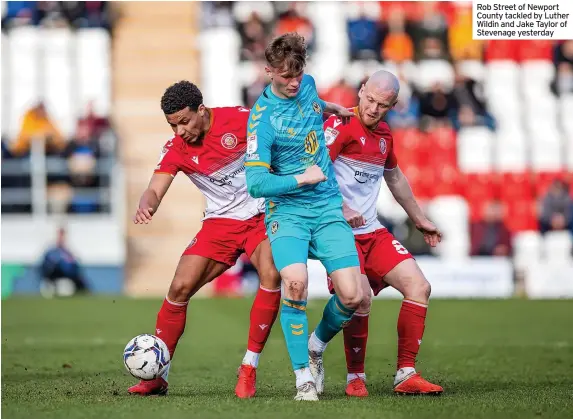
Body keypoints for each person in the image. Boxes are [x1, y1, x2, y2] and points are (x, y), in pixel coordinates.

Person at [128, 81, 282, 399]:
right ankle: (157, 377)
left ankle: (249, 368)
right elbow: (155, 187)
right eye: (172, 125)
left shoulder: (242, 120)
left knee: (271, 273)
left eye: (184, 122)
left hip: (262, 216)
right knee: (179, 288)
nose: (180, 131)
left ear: (201, 110)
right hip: (220, 225)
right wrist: (147, 202)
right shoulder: (176, 148)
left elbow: (283, 144)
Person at [245, 32, 364, 401]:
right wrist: (301, 177)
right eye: (286, 77)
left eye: (299, 74)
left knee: (352, 295)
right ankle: (303, 380)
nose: (295, 82)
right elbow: (256, 183)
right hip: (289, 210)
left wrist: (333, 109)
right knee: (294, 282)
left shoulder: (307, 84)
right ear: (268, 72)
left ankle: (315, 347)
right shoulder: (261, 121)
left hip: (327, 204)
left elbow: (312, 99)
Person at [311, 70, 444, 397]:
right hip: (339, 230)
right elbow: (316, 171)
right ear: (360, 91)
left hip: (372, 231)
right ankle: (352, 374)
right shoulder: (339, 126)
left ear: (393, 105)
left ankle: (405, 373)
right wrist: (341, 207)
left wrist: (419, 218)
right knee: (361, 298)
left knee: (419, 287)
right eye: (369, 100)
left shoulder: (385, 134)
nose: (372, 109)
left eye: (382, 105)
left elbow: (395, 177)